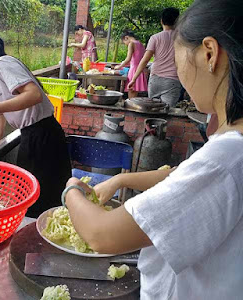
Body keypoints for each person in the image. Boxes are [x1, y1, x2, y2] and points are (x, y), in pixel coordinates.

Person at [62, 0, 243, 298]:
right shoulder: (227, 151)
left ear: (209, 53)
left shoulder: (226, 159)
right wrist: (120, 180)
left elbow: (102, 234)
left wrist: (71, 189)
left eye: (181, 57)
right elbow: (182, 174)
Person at [0, 24, 71, 218]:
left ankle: (45, 243)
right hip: (31, 136)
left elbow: (33, 95)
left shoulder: (2, 63)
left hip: (44, 135)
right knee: (30, 200)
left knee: (43, 201)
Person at [128, 8, 182, 107]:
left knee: (152, 109)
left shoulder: (155, 38)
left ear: (161, 21)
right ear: (178, 21)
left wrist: (134, 79)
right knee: (168, 112)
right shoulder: (182, 39)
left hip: (155, 79)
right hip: (172, 80)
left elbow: (145, 60)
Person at [114, 30, 148, 99]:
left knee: (131, 96)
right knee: (134, 95)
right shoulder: (141, 44)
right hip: (140, 70)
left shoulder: (131, 43)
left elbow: (128, 59)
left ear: (126, 38)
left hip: (134, 71)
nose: (126, 44)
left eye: (125, 42)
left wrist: (119, 66)